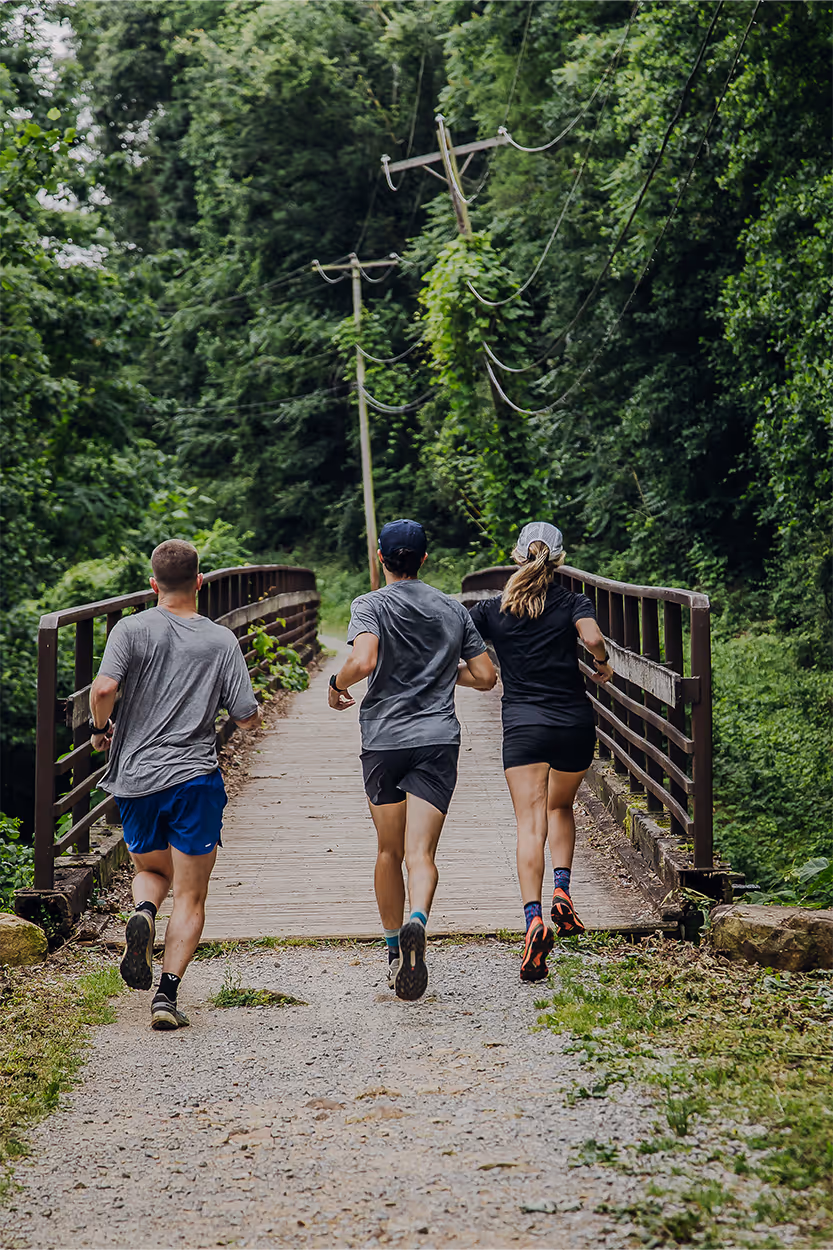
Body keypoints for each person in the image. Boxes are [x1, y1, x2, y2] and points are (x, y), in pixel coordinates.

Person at [89, 539, 261, 1029]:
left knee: (152, 870)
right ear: (199, 582)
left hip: (137, 777)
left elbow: (104, 688)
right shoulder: (220, 641)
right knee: (190, 894)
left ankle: (144, 910)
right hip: (193, 780)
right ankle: (165, 997)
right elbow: (246, 717)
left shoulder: (130, 629)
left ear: (153, 584)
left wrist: (101, 729)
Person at [328, 518, 496, 1001]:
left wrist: (336, 685)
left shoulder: (370, 604)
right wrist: (443, 672)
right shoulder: (452, 608)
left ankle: (392, 951)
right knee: (421, 853)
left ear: (381, 557)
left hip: (384, 740)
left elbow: (363, 661)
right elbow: (486, 676)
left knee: (389, 850)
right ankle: (417, 921)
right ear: (424, 558)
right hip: (437, 739)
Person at [468, 521, 613, 983]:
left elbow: (455, 640)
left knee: (530, 824)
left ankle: (533, 920)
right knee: (560, 807)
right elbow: (592, 639)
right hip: (573, 724)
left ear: (517, 556)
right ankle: (563, 892)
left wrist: (471, 674)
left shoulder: (491, 608)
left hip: (524, 728)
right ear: (560, 560)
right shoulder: (572, 602)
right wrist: (602, 663)